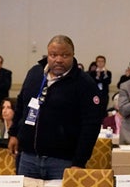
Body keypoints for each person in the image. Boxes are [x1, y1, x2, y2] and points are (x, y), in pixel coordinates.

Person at [8, 35, 103, 179]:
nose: (58, 59)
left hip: (63, 162)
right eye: (53, 55)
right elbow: (21, 104)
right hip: (28, 158)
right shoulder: (35, 73)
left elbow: (91, 126)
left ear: (73, 55)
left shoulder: (84, 83)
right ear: (48, 55)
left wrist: (79, 161)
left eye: (65, 55)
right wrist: (14, 133)